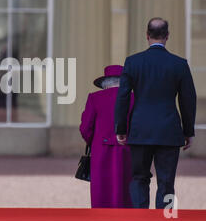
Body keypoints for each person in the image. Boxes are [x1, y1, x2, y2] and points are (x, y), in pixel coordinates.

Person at [114, 18, 196, 209]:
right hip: (169, 130)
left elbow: (123, 97)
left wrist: (121, 127)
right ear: (167, 36)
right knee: (167, 182)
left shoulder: (133, 62)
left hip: (140, 129)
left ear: (147, 35)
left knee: (139, 178)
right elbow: (188, 100)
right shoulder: (179, 64)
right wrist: (188, 131)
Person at [80, 65, 134, 208]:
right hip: (128, 149)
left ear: (105, 83)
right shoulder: (134, 98)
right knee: (126, 189)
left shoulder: (95, 98)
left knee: (102, 190)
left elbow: (85, 127)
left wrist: (94, 141)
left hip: (101, 151)